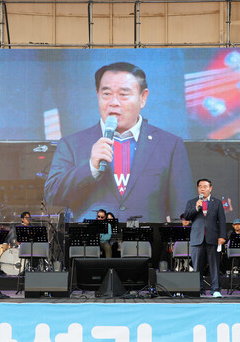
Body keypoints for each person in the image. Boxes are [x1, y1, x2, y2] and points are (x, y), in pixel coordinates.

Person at [44, 62, 193, 222]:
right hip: (92, 238)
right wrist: (91, 167)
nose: (114, 102)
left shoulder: (170, 145)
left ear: (143, 98)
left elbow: (183, 211)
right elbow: (52, 196)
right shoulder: (71, 144)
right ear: (97, 94)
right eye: (106, 94)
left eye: (123, 94)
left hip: (146, 238)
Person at [183, 179, 227, 298]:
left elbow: (222, 221)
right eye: (200, 186)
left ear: (210, 188)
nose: (203, 188)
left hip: (213, 238)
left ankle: (215, 289)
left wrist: (222, 236)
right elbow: (186, 216)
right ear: (198, 188)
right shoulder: (192, 202)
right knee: (197, 266)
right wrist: (196, 207)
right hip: (197, 238)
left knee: (214, 265)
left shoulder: (217, 203)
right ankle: (198, 289)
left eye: (205, 186)